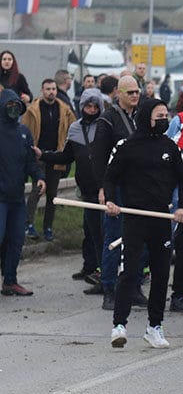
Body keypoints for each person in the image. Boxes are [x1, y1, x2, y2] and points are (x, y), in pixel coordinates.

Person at [103, 98, 183, 349]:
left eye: (166, 115)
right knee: (130, 272)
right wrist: (110, 201)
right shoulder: (126, 146)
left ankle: (155, 326)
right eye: (159, 115)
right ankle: (119, 324)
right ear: (145, 117)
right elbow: (110, 177)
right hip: (134, 218)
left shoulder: (171, 147)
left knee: (162, 274)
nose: (164, 119)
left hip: (162, 219)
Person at [39, 88, 105, 284]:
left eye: (95, 106)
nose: (91, 110)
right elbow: (67, 156)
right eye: (88, 106)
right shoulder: (75, 128)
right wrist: (43, 155)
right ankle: (89, 267)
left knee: (100, 232)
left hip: (102, 189)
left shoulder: (104, 127)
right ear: (82, 106)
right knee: (89, 230)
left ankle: (104, 273)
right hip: (86, 189)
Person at [91, 76, 142, 308]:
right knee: (113, 238)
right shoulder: (108, 119)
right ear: (118, 94)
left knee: (139, 238)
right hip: (117, 186)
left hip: (139, 187)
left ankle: (134, 286)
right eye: (130, 92)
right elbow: (99, 158)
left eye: (137, 91)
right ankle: (109, 288)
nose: (134, 95)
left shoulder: (141, 116)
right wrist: (104, 188)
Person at [0, 89, 45, 297]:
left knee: (17, 240)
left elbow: (30, 161)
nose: (13, 109)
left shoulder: (24, 132)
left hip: (17, 198)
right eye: (9, 105)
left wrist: (39, 177)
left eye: (16, 106)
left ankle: (10, 281)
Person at [21, 78, 76, 241]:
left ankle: (48, 228)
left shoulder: (64, 110)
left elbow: (73, 127)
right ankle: (28, 224)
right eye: (48, 89)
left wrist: (67, 150)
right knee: (37, 190)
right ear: (42, 90)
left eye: (53, 89)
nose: (51, 92)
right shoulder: (33, 110)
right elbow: (26, 130)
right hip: (38, 155)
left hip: (56, 156)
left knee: (52, 194)